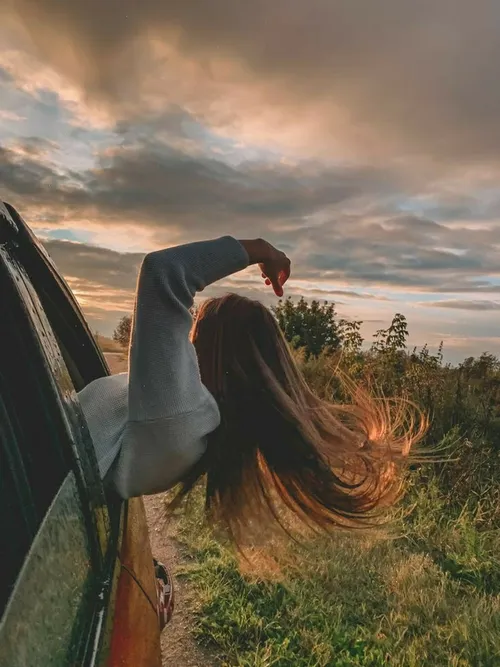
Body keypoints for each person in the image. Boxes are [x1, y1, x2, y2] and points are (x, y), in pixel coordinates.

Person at [78, 236, 424, 544]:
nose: (186, 335)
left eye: (197, 324)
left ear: (214, 345)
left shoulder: (180, 412)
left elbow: (162, 271)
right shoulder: (185, 420)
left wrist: (258, 249)